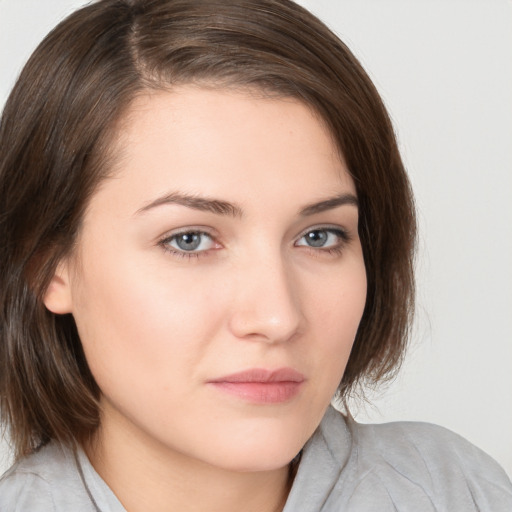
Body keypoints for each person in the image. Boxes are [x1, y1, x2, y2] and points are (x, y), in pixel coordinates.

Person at [0, 0, 510, 510]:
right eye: (190, 239)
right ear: (47, 265)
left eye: (319, 236)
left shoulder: (456, 491)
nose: (277, 317)